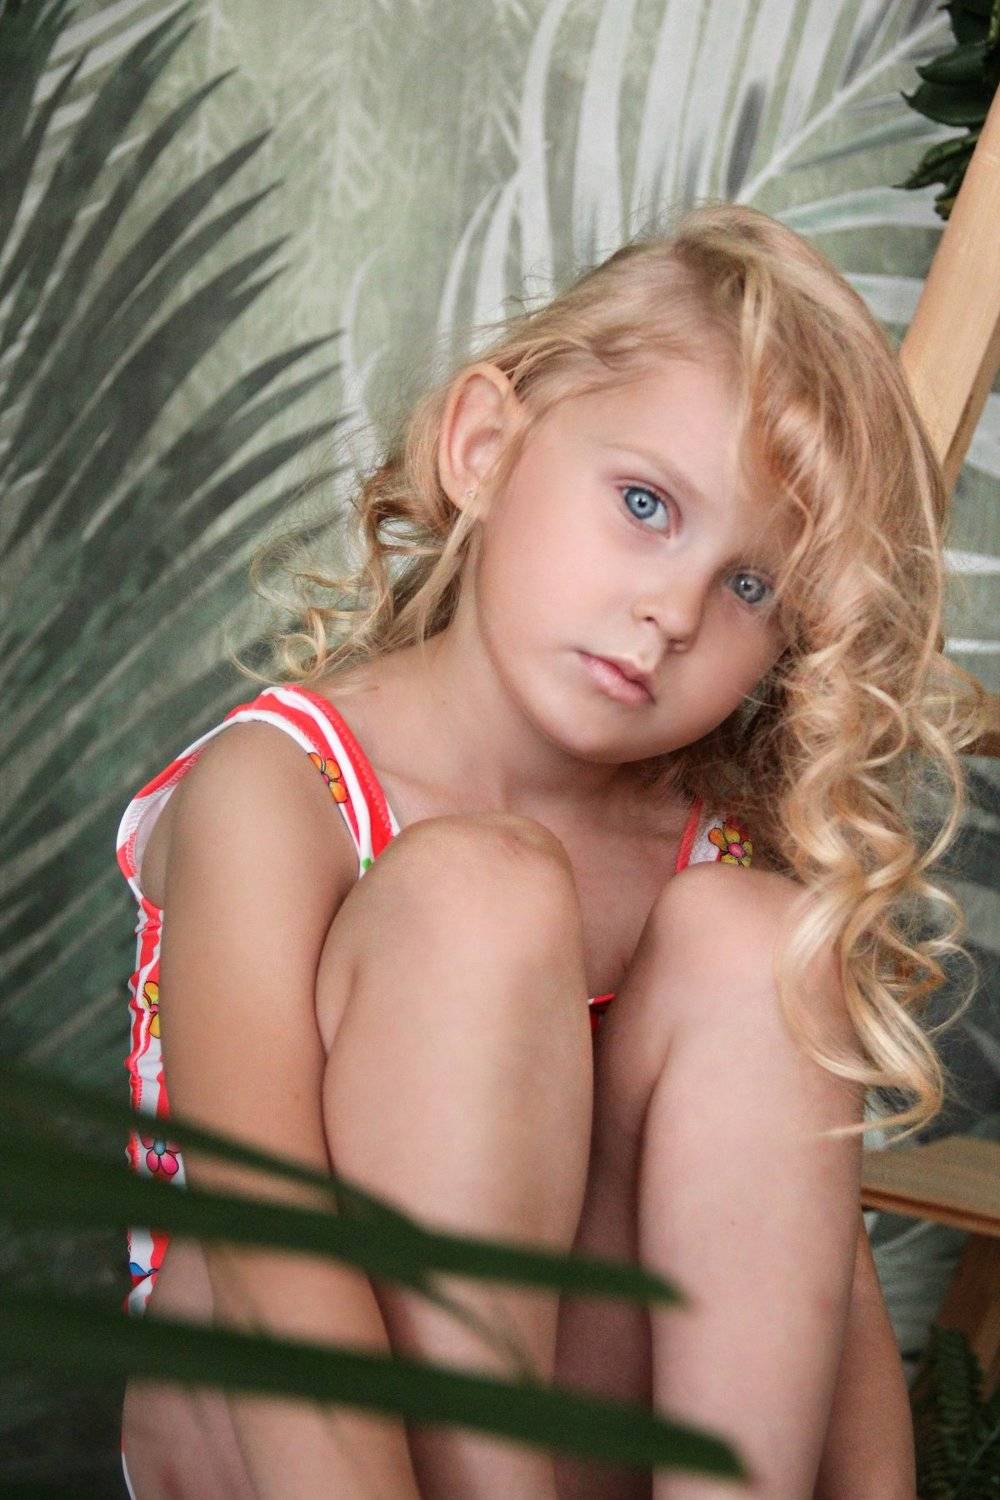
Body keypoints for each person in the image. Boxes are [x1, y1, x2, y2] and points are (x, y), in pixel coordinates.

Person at [115, 200, 985, 1499]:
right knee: (479, 895)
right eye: (645, 503)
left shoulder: (711, 852)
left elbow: (813, 1276)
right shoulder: (282, 788)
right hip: (284, 1414)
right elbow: (267, 1254)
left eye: (752, 586)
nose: (674, 609)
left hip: (563, 1420)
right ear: (484, 446)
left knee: (760, 939)